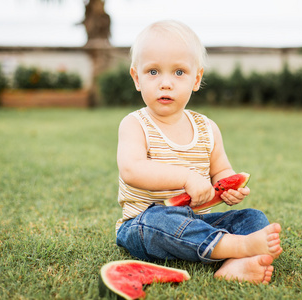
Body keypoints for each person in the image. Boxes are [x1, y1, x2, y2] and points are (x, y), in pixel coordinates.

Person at [115, 20, 283, 284]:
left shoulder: (207, 128)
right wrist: (186, 177)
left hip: (197, 222)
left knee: (253, 217)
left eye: (179, 72)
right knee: (160, 221)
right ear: (137, 78)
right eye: (153, 72)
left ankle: (236, 264)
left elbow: (221, 171)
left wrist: (229, 188)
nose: (166, 83)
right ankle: (238, 249)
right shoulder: (135, 125)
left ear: (197, 79)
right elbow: (131, 170)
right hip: (143, 225)